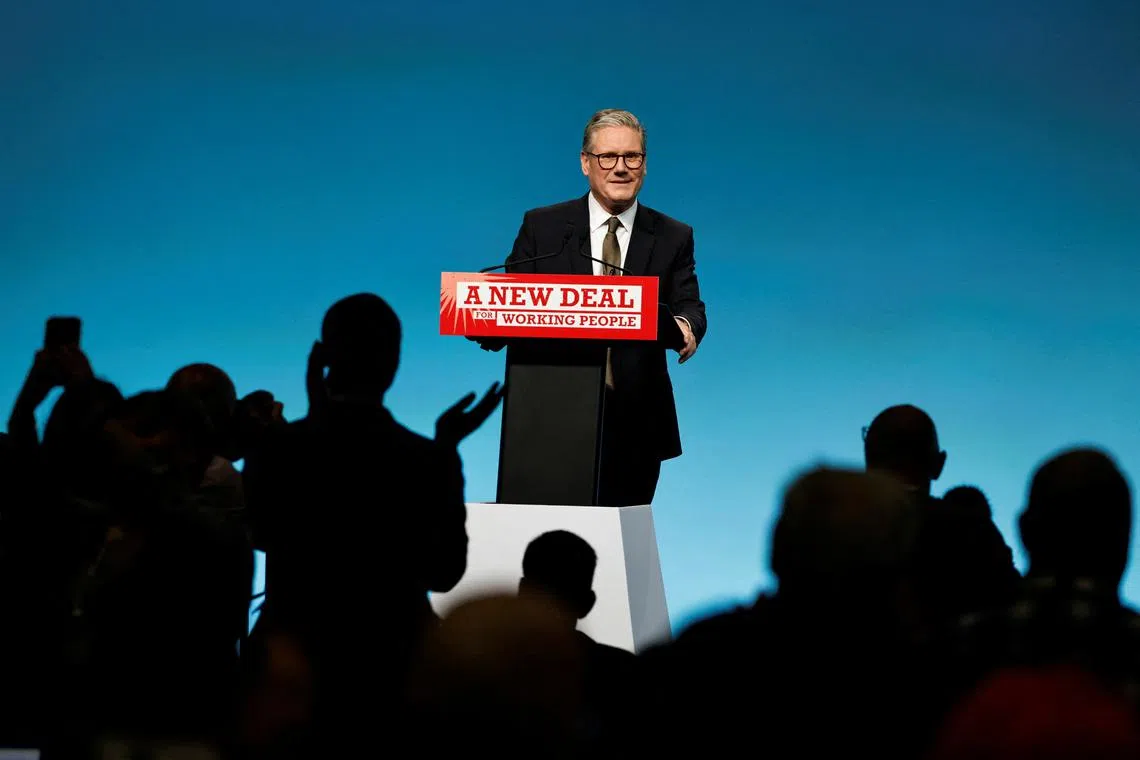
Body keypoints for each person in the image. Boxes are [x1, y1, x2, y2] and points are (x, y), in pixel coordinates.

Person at [485, 108, 707, 506]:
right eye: (607, 157)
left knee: (619, 550)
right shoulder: (544, 227)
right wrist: (483, 317)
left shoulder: (673, 235)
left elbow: (689, 307)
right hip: (550, 416)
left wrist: (684, 327)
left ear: (644, 164)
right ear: (586, 163)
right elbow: (510, 303)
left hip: (636, 422)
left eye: (631, 157)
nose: (620, 168)